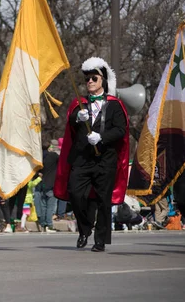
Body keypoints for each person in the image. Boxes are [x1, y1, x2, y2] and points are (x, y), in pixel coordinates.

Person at [54, 57, 129, 252]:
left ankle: (100, 240)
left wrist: (102, 137)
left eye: (93, 78)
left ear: (103, 80)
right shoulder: (79, 103)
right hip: (82, 159)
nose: (89, 82)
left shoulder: (114, 105)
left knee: (103, 200)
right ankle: (85, 229)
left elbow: (121, 130)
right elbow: (70, 125)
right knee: (75, 193)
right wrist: (76, 117)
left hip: (105, 160)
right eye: (87, 78)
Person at [34, 140, 59, 232]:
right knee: (50, 205)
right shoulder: (53, 156)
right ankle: (49, 224)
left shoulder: (39, 158)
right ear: (49, 147)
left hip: (42, 183)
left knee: (43, 204)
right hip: (51, 183)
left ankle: (43, 224)